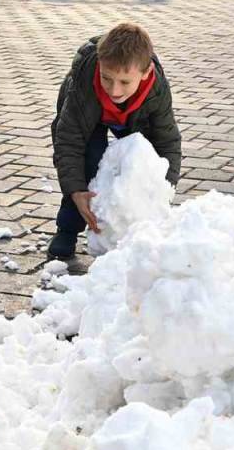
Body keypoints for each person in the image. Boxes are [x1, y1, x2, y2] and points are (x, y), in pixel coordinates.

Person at [48, 23, 182, 270]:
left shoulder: (156, 92)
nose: (114, 89)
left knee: (139, 164)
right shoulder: (83, 83)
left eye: (124, 81)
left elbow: (167, 143)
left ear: (145, 72)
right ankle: (66, 230)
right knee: (89, 162)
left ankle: (132, 237)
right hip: (88, 116)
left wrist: (161, 193)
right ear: (99, 64)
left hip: (133, 117)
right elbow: (68, 141)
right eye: (107, 78)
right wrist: (76, 190)